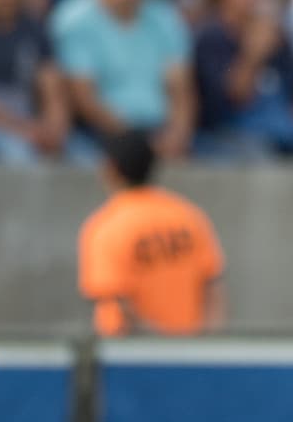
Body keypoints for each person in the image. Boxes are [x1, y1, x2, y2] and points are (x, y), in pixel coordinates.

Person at [78, 129, 225, 336]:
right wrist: (203, 341)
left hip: (128, 351)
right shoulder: (189, 216)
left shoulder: (105, 227)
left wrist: (158, 343)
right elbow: (213, 287)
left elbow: (115, 299)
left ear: (110, 168)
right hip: (190, 347)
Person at [49, 0, 196, 159]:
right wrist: (138, 143)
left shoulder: (167, 17)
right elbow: (84, 97)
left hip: (161, 134)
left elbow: (181, 90)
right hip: (98, 136)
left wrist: (177, 136)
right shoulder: (73, 19)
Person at [192, 0, 293, 159]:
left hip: (285, 136)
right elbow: (235, 97)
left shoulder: (277, 37)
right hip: (228, 136)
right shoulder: (210, 38)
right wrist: (253, 55)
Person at [0, 0, 71, 164]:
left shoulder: (35, 29)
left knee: (84, 158)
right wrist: (26, 131)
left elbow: (52, 86)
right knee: (20, 156)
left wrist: (56, 128)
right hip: (4, 127)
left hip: (29, 121)